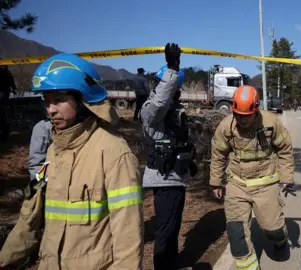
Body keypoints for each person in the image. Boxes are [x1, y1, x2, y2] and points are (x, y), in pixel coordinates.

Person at [0, 53, 144, 269]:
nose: (50, 110)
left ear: (83, 99)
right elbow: (30, 218)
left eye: (58, 100)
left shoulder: (114, 153)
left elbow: (128, 238)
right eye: (47, 101)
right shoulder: (52, 152)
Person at [210, 85, 295, 270]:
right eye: (238, 115)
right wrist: (216, 182)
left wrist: (287, 177)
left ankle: (280, 241)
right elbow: (218, 155)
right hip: (237, 184)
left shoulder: (271, 123)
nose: (242, 120)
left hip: (266, 184)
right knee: (236, 233)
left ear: (256, 110)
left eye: (246, 115)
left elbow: (285, 149)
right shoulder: (226, 126)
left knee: (273, 230)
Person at [140, 43, 196, 270]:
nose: (179, 93)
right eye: (176, 89)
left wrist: (190, 161)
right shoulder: (151, 110)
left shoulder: (172, 111)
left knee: (173, 227)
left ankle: (172, 263)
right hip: (165, 179)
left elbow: (178, 140)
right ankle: (164, 265)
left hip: (175, 177)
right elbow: (160, 101)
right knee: (165, 230)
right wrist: (172, 67)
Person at [0, 63, 17, 142]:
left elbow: (10, 81)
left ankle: (5, 134)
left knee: (1, 113)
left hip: (3, 92)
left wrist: (13, 88)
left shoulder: (5, 72)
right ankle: (5, 133)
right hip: (4, 92)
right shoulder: (6, 71)